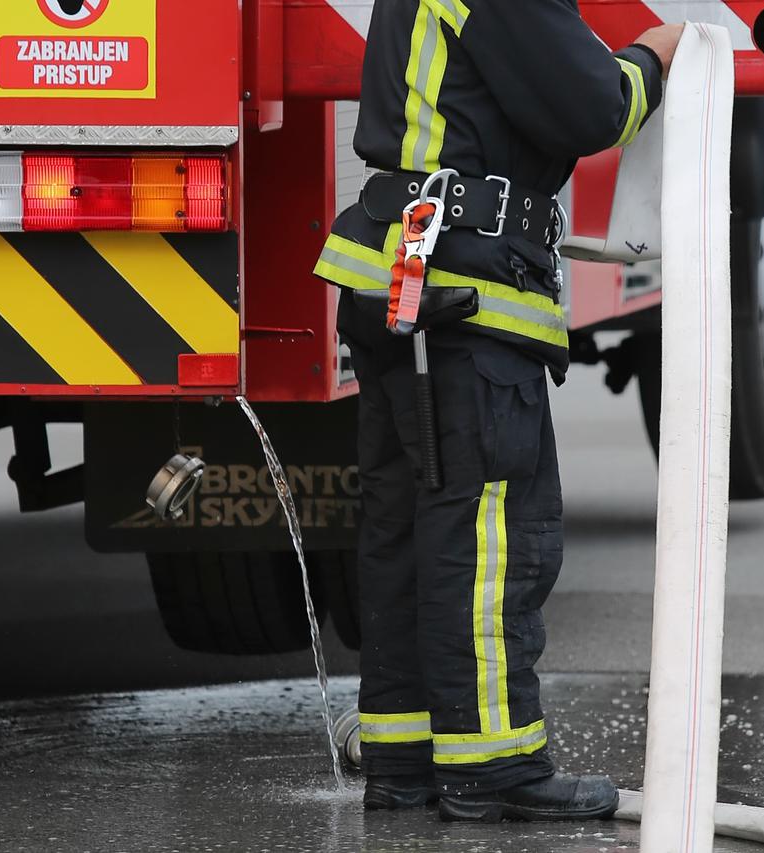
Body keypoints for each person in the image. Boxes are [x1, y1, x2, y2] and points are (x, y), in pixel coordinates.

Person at [313, 0, 682, 824]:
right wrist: (657, 56)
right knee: (486, 540)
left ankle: (403, 759)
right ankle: (493, 762)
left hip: (403, 279)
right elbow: (593, 107)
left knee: (407, 532)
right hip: (464, 298)